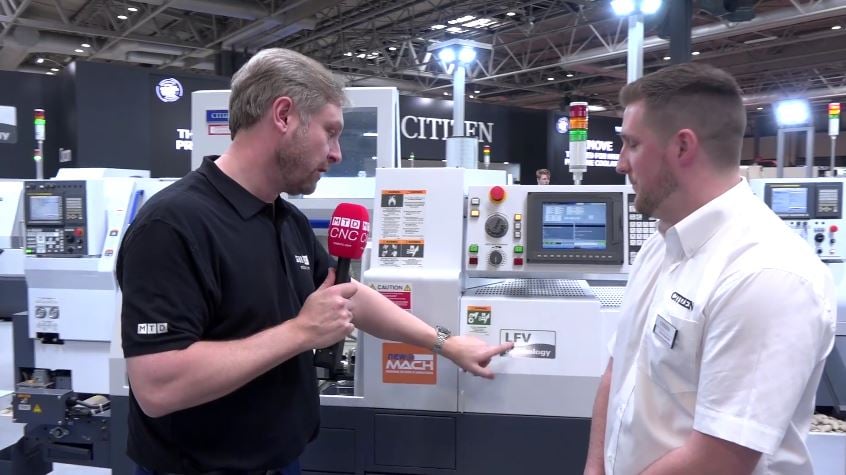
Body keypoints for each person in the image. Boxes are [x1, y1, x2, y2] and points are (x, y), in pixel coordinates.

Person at [117, 48, 513, 475]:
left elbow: (348, 296)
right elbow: (158, 386)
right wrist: (301, 331)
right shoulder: (172, 226)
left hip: (282, 461)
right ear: (283, 115)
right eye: (330, 132)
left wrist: (447, 344)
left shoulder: (284, 218)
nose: (337, 153)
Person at [584, 63, 835, 475]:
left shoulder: (766, 273)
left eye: (631, 144)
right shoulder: (661, 245)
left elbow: (719, 459)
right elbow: (619, 371)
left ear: (683, 147)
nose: (620, 164)